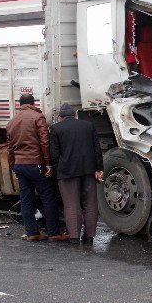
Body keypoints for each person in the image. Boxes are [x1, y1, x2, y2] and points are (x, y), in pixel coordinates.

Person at [7, 94, 68, 242]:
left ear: (20, 104)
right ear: (32, 103)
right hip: (37, 164)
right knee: (48, 198)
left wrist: (13, 166)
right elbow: (44, 142)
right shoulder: (37, 117)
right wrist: (48, 163)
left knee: (26, 199)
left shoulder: (12, 122)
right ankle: (54, 233)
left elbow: (10, 149)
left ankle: (32, 233)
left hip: (20, 165)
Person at [50, 103, 104, 245]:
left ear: (60, 117)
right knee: (91, 203)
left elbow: (54, 155)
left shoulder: (56, 128)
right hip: (88, 170)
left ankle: (74, 237)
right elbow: (97, 149)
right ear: (74, 115)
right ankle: (89, 236)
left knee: (71, 204)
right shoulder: (88, 125)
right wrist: (98, 168)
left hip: (67, 172)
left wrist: (58, 170)